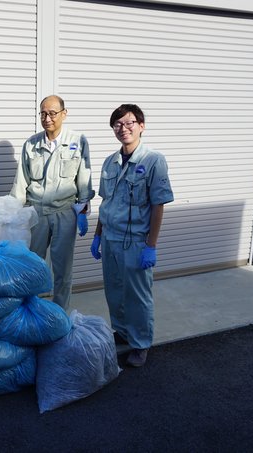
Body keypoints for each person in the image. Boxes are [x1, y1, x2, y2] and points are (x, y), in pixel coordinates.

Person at [90, 104, 174, 367]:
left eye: (129, 123)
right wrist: (97, 235)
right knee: (114, 292)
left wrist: (151, 245)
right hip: (110, 238)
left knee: (137, 296)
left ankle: (140, 343)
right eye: (117, 124)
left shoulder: (152, 160)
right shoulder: (110, 162)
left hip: (136, 242)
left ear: (141, 126)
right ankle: (123, 332)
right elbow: (106, 203)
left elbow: (158, 205)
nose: (123, 129)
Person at [10, 95, 94, 310]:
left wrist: (83, 210)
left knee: (62, 268)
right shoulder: (31, 144)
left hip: (64, 212)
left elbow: (84, 178)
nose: (47, 118)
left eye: (52, 113)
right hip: (37, 212)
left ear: (64, 114)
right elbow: (21, 181)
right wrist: (12, 215)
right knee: (33, 265)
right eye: (43, 113)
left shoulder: (77, 141)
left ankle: (60, 314)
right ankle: (32, 310)